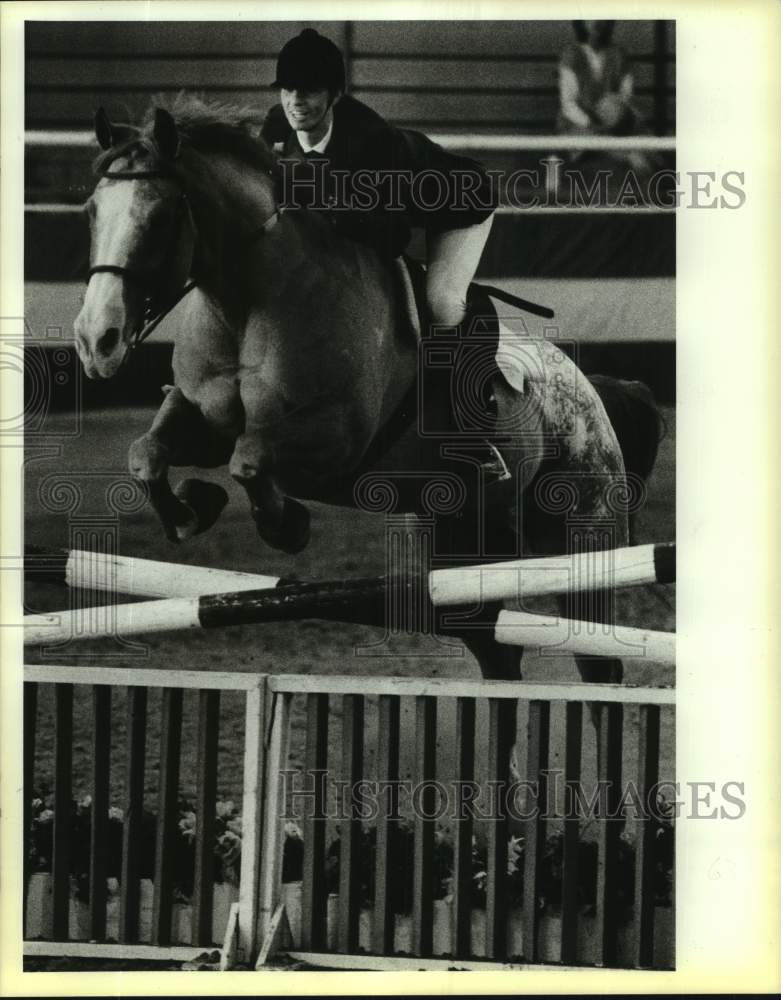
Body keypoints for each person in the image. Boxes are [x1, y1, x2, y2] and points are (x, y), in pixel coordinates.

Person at [261, 28, 496, 330]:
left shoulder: (374, 142)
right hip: (395, 207)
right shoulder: (277, 124)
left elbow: (394, 237)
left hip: (461, 201)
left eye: (309, 91)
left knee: (442, 305)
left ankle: (473, 372)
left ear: (336, 94)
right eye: (287, 90)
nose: (295, 102)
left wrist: (330, 202)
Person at [553, 20, 652, 182]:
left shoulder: (619, 54)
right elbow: (568, 105)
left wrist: (614, 114)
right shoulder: (571, 54)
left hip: (615, 125)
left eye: (602, 19)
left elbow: (626, 97)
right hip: (578, 127)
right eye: (591, 19)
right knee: (628, 154)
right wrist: (594, 124)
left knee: (650, 148)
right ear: (581, 23)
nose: (597, 24)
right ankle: (627, 155)